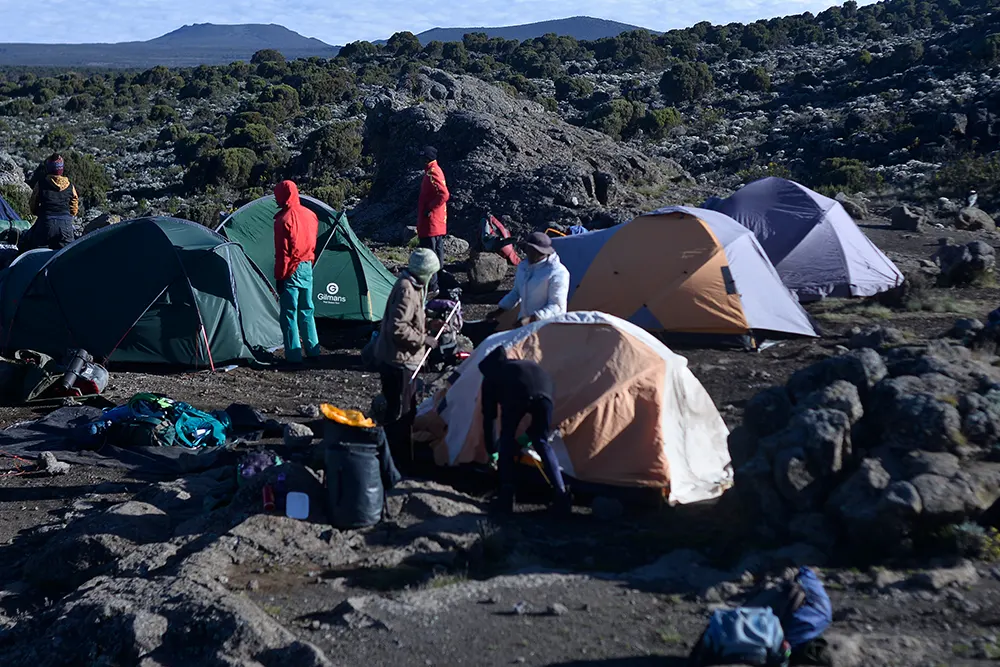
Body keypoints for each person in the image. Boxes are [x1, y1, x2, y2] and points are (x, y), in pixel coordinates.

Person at [479, 346, 570, 514]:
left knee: (506, 440)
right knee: (542, 441)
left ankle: (506, 498)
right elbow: (538, 421)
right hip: (546, 393)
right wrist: (527, 437)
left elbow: (489, 417)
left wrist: (493, 450)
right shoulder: (520, 365)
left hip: (518, 395)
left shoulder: (491, 379)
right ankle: (561, 495)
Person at [374, 248, 441, 461]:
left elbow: (411, 319)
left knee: (401, 407)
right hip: (399, 360)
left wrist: (429, 324)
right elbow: (398, 327)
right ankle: (396, 455)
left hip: (399, 357)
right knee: (402, 411)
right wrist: (424, 339)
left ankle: (394, 450)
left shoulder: (413, 285)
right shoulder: (407, 289)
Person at [273, 180, 321, 365]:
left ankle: (293, 356)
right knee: (307, 309)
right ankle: (313, 348)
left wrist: (280, 276)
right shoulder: (311, 215)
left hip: (290, 269)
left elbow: (283, 253)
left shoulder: (282, 220)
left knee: (289, 313)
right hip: (307, 265)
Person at [487, 231, 569, 327]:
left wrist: (531, 319)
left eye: (531, 250)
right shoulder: (524, 267)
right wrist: (500, 310)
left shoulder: (557, 273)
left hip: (547, 327)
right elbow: (516, 292)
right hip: (524, 324)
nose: (527, 252)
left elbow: (556, 306)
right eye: (527, 249)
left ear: (541, 251)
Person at [20, 154, 78, 252]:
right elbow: (74, 206)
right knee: (66, 254)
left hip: (46, 224)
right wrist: (69, 215)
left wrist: (38, 213)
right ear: (61, 169)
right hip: (66, 226)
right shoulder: (70, 186)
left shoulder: (41, 183)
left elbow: (33, 204)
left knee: (37, 252)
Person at [416, 145, 449, 295]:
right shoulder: (433, 170)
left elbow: (444, 194)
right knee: (437, 251)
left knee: (430, 253)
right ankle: (438, 281)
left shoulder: (432, 172)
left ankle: (433, 285)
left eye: (423, 157)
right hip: (436, 221)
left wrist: (430, 207)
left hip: (431, 222)